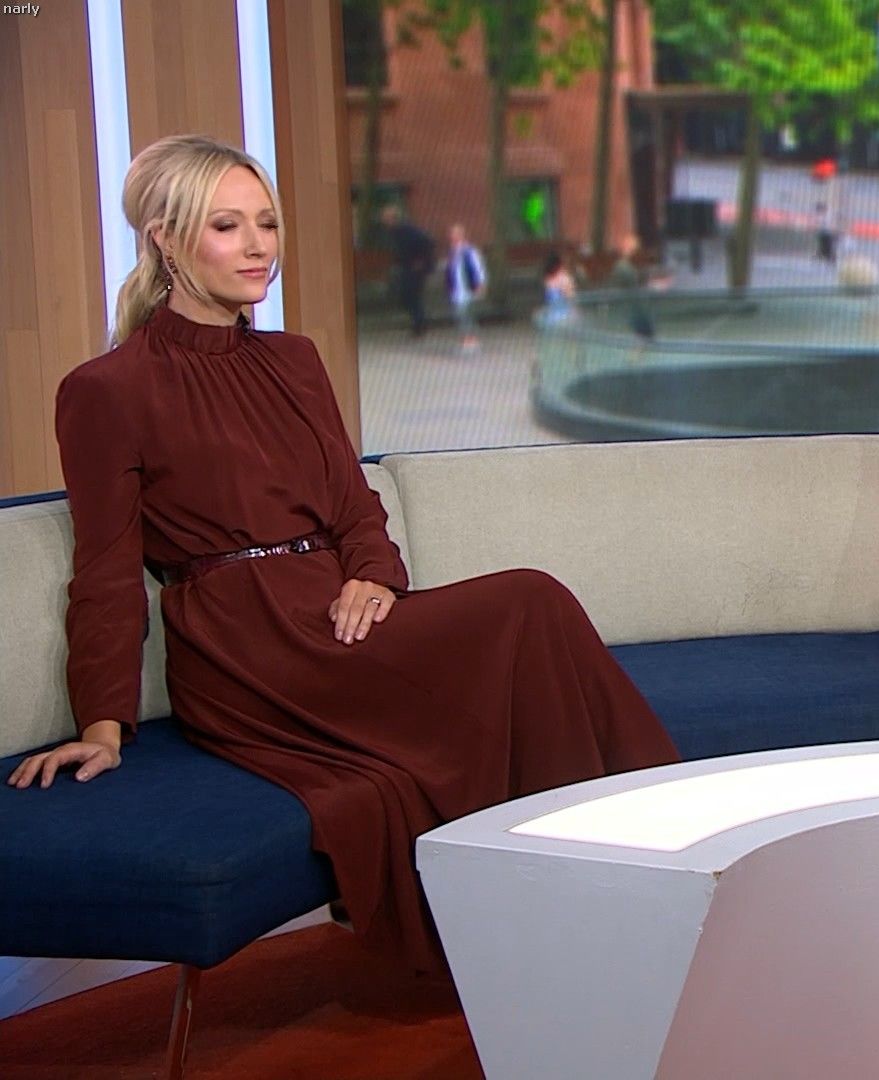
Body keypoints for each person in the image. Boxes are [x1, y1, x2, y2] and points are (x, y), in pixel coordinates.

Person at [6, 135, 678, 971]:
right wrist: (102, 727)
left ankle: (608, 890)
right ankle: (623, 887)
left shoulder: (294, 360)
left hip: (339, 612)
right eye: (227, 226)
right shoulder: (106, 389)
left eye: (267, 223)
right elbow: (105, 570)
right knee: (529, 602)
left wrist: (372, 573)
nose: (258, 246)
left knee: (530, 623)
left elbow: (353, 502)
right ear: (165, 240)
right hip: (250, 646)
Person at [380, 204, 433, 337]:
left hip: (415, 268)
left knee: (412, 295)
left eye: (386, 218)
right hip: (405, 266)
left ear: (393, 218)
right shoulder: (393, 232)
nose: (384, 221)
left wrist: (421, 261)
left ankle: (420, 325)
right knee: (406, 296)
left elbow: (427, 242)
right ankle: (419, 323)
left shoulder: (407, 230)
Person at [444, 222, 486, 353]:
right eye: (451, 234)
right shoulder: (452, 252)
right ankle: (465, 339)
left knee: (465, 314)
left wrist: (480, 284)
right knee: (459, 315)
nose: (453, 237)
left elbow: (478, 267)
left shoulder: (469, 251)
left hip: (467, 288)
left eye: (455, 234)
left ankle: (471, 339)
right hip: (456, 290)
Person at [536, 250, 577, 328]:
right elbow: (571, 297)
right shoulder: (564, 278)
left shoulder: (548, 279)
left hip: (554, 314)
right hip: (562, 315)